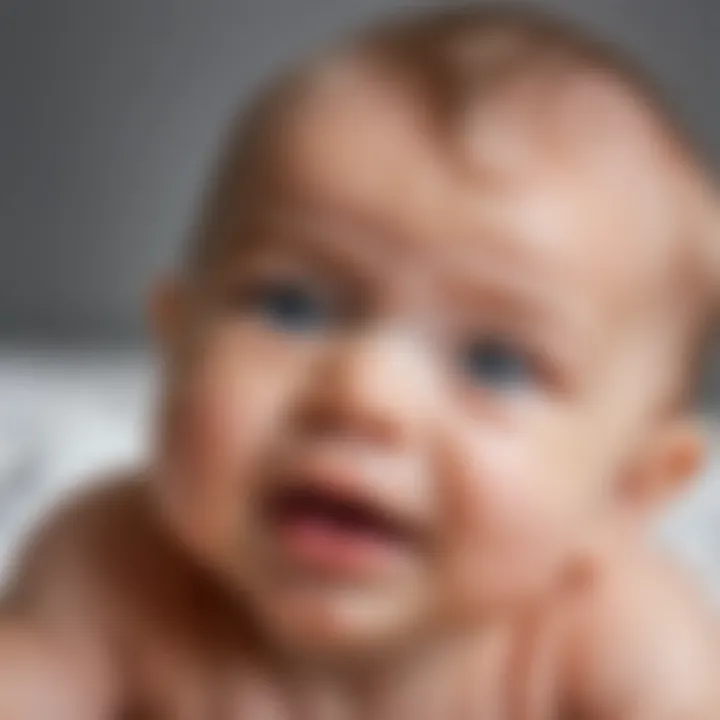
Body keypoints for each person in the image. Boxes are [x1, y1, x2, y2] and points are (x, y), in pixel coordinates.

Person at [1, 6, 718, 718]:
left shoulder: (619, 642)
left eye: (495, 363)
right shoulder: (110, 572)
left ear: (628, 491)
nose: (364, 394)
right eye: (291, 308)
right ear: (177, 340)